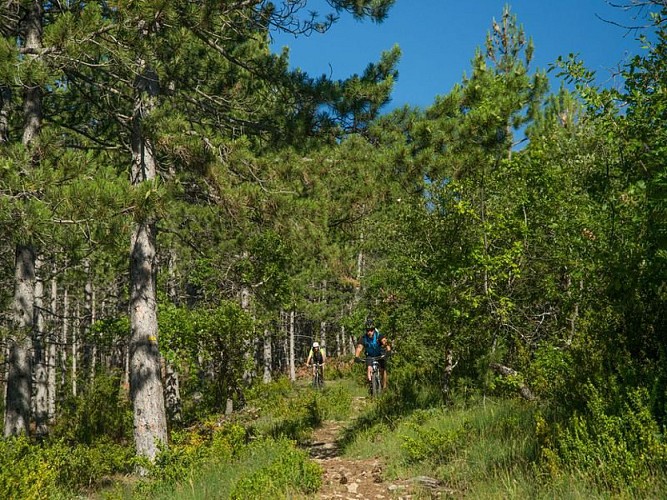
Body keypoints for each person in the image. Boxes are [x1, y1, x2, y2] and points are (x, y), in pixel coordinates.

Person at [355, 319, 391, 389]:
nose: (369, 332)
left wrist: (388, 351)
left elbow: (385, 343)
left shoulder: (378, 336)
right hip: (370, 356)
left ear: (374, 330)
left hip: (380, 354)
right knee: (369, 368)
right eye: (368, 330)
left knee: (383, 369)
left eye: (371, 330)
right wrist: (356, 357)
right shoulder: (364, 338)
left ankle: (384, 387)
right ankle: (371, 385)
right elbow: (359, 348)